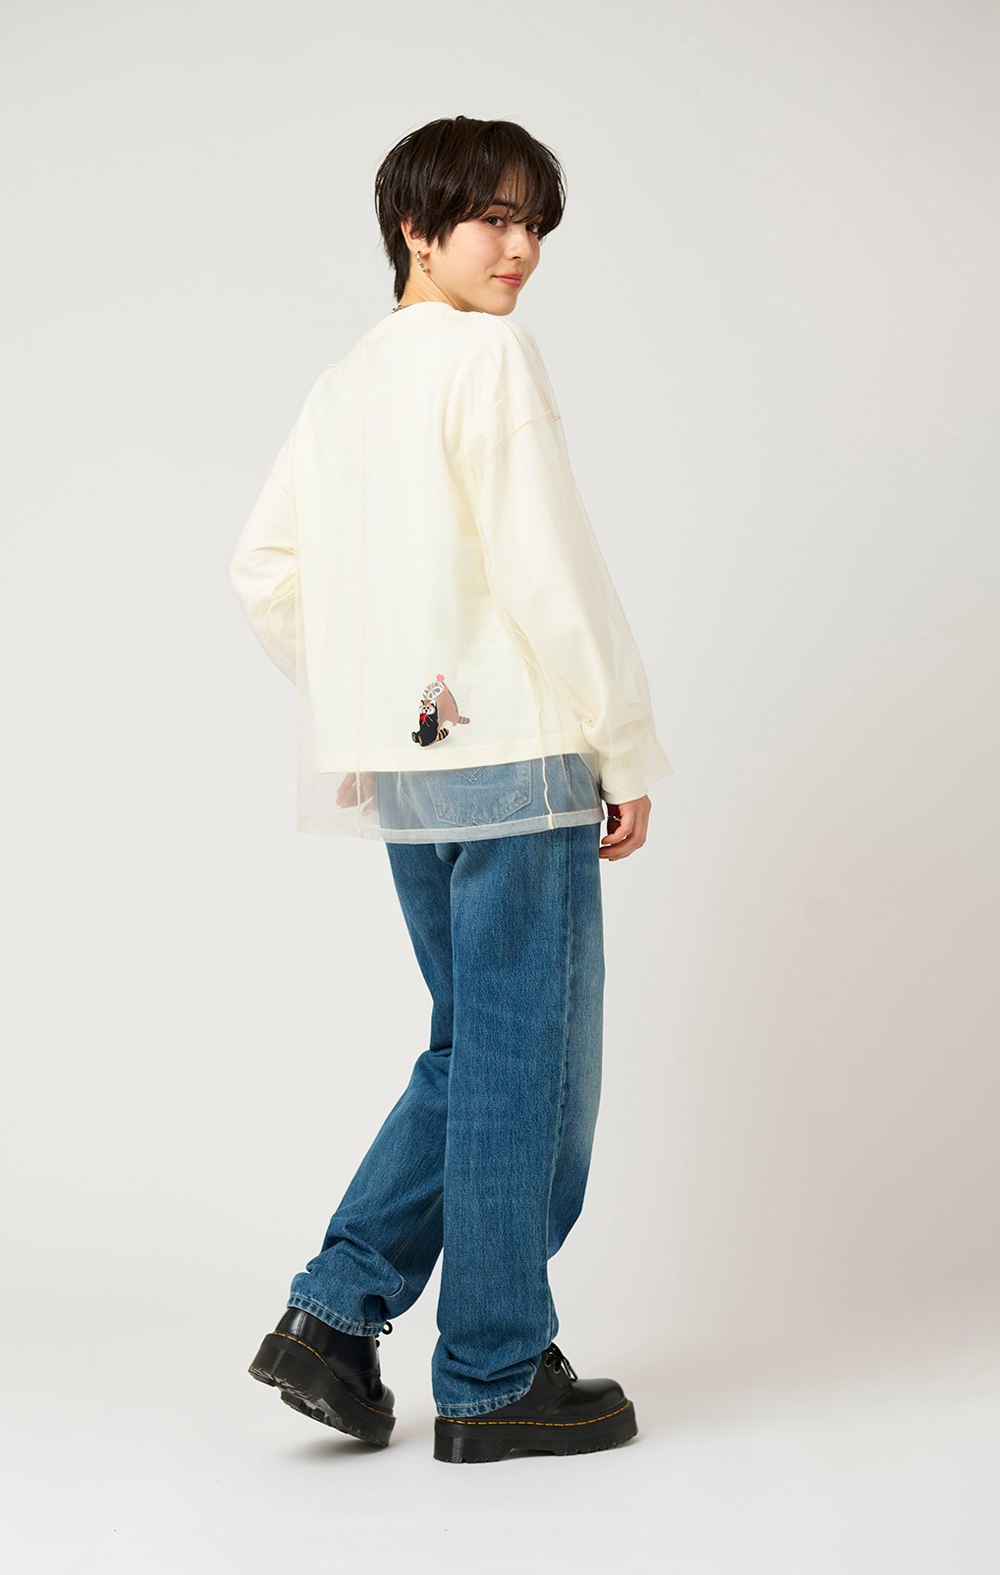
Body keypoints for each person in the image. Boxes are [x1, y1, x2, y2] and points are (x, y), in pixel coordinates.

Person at [229, 115, 674, 1465]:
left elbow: (265, 571)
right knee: (529, 1070)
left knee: (474, 1051)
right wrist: (623, 743)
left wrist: (371, 700)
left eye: (535, 222)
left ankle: (334, 1314)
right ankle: (491, 1370)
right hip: (521, 759)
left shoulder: (344, 384)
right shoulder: (487, 357)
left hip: (414, 772)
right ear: (414, 230)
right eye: (493, 217)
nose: (520, 248)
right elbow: (548, 568)